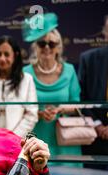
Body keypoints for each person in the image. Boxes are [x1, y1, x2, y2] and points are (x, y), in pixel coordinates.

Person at [22, 12, 82, 166]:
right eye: (42, 43)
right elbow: (19, 106)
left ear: (58, 47)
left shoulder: (69, 71)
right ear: (35, 47)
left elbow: (77, 104)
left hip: (65, 140)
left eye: (52, 44)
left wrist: (59, 110)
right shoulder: (25, 73)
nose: (47, 47)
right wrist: (39, 113)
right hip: (35, 140)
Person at [0, 35, 38, 138]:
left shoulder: (26, 80)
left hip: (16, 141)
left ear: (15, 55)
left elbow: (31, 115)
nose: (2, 58)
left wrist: (13, 137)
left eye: (6, 54)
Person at [78, 15, 108, 170]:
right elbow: (81, 98)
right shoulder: (88, 59)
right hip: (94, 138)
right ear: (104, 31)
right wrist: (97, 125)